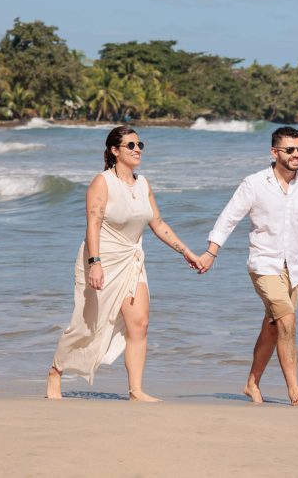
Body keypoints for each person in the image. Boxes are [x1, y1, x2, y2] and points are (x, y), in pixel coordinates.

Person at [46, 126, 202, 402]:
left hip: (131, 260)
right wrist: (95, 263)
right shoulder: (102, 182)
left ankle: (135, 390)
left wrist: (186, 251)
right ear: (114, 151)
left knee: (139, 324)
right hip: (101, 260)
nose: (137, 149)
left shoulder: (143, 184)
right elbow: (92, 224)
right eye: (130, 145)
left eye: (139, 144)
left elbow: (158, 224)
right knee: (87, 325)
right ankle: (56, 371)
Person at [197, 126, 298, 406]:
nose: (296, 155)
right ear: (275, 152)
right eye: (290, 150)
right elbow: (229, 217)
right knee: (287, 320)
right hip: (263, 265)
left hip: (296, 268)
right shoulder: (254, 184)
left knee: (273, 327)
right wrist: (211, 252)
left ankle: (251, 383)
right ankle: (294, 390)